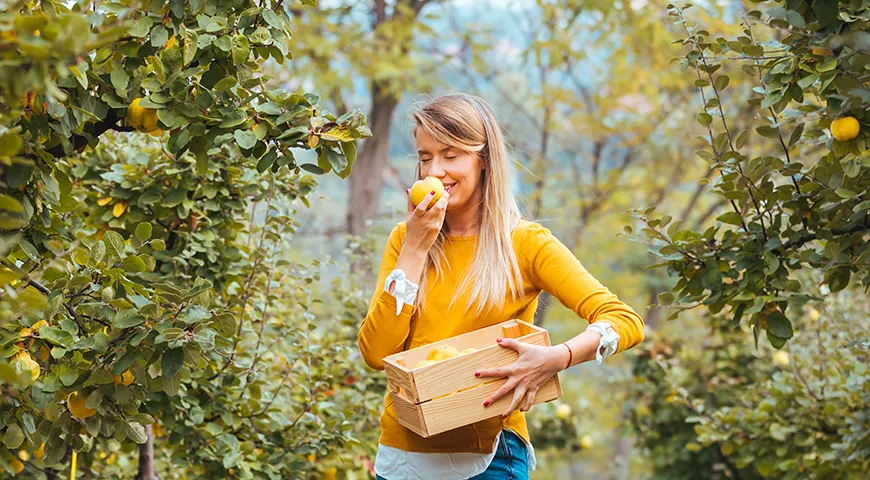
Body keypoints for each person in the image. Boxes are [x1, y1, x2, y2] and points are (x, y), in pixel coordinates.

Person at [357, 93, 645, 480]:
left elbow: (624, 320)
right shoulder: (404, 240)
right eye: (425, 157)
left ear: (483, 160)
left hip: (490, 457)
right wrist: (414, 249)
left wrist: (558, 357)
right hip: (403, 455)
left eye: (451, 155)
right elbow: (377, 353)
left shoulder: (524, 243)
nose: (435, 171)